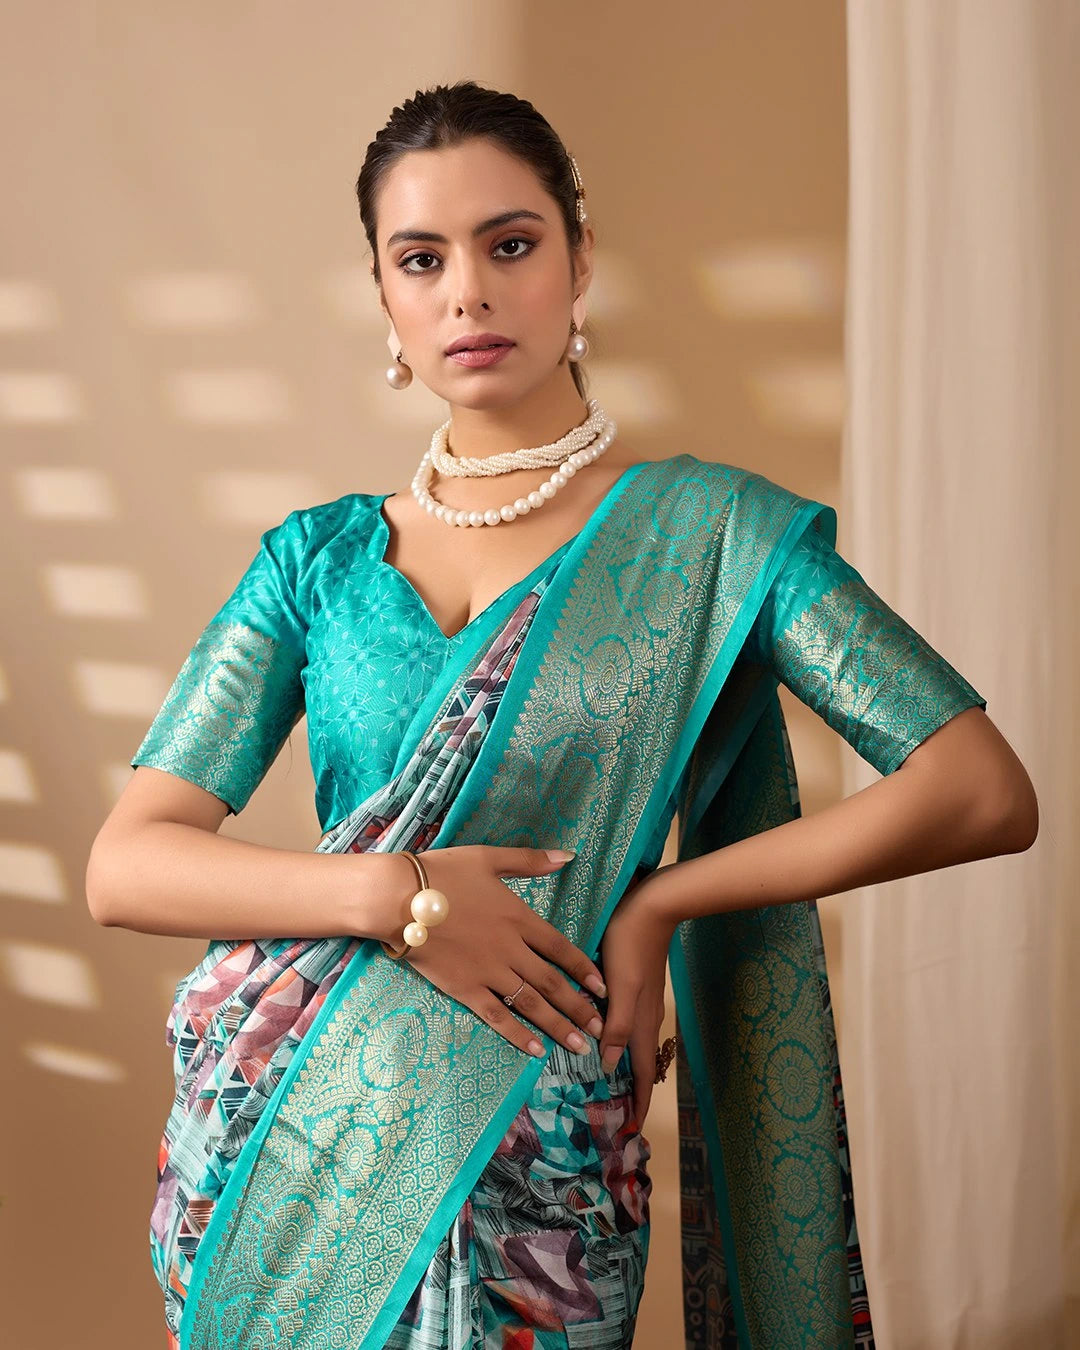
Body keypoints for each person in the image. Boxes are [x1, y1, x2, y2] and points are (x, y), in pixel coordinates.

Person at [86, 81, 1038, 1350]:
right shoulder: (314, 566)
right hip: (284, 1148)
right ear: (385, 299)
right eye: (421, 260)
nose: (467, 293)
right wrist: (400, 896)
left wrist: (660, 902)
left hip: (544, 1163)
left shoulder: (710, 536)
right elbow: (124, 863)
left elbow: (977, 787)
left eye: (511, 244)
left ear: (581, 263)